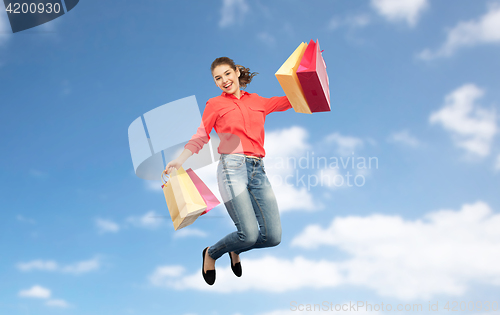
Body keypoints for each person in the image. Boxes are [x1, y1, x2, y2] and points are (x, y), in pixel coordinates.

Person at [164, 57, 292, 285]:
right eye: (218, 78)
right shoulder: (215, 104)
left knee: (273, 237)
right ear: (215, 83)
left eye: (227, 74)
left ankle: (236, 248)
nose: (224, 80)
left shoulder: (259, 101)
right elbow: (201, 136)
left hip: (258, 169)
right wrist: (179, 160)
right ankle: (212, 253)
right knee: (249, 234)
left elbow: (293, 100)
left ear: (237, 72)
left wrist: (304, 81)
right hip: (231, 169)